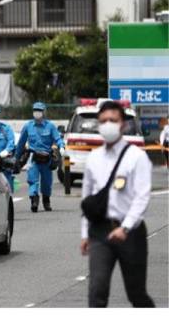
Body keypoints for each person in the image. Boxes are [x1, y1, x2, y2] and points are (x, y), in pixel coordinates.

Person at [80, 100, 155, 308]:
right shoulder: (94, 158)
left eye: (113, 120)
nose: (108, 125)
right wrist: (85, 234)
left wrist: (126, 227)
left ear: (123, 124)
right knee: (97, 292)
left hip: (130, 233)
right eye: (103, 121)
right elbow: (87, 199)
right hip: (100, 232)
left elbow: (142, 196)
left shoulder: (137, 157)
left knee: (136, 293)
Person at [15, 102, 65, 212]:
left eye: (39, 110)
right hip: (33, 157)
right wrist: (16, 158)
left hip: (47, 158)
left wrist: (61, 147)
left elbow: (58, 139)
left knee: (47, 182)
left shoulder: (50, 126)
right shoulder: (28, 126)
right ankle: (34, 200)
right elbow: (20, 144)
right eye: (35, 110)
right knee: (32, 180)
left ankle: (46, 201)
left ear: (44, 112)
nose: (37, 113)